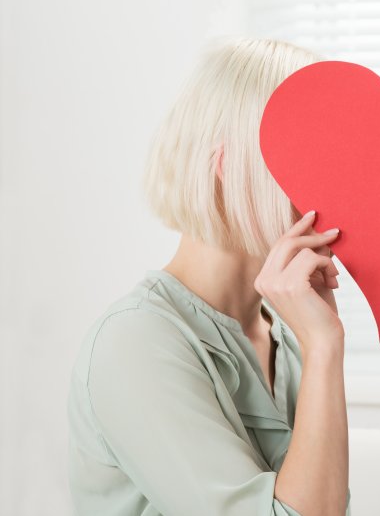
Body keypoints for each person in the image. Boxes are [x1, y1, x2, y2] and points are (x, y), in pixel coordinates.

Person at [67, 39, 350, 516]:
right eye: (309, 159)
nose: (337, 186)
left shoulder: (289, 337)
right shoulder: (134, 342)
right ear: (228, 167)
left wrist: (322, 347)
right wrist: (325, 348)